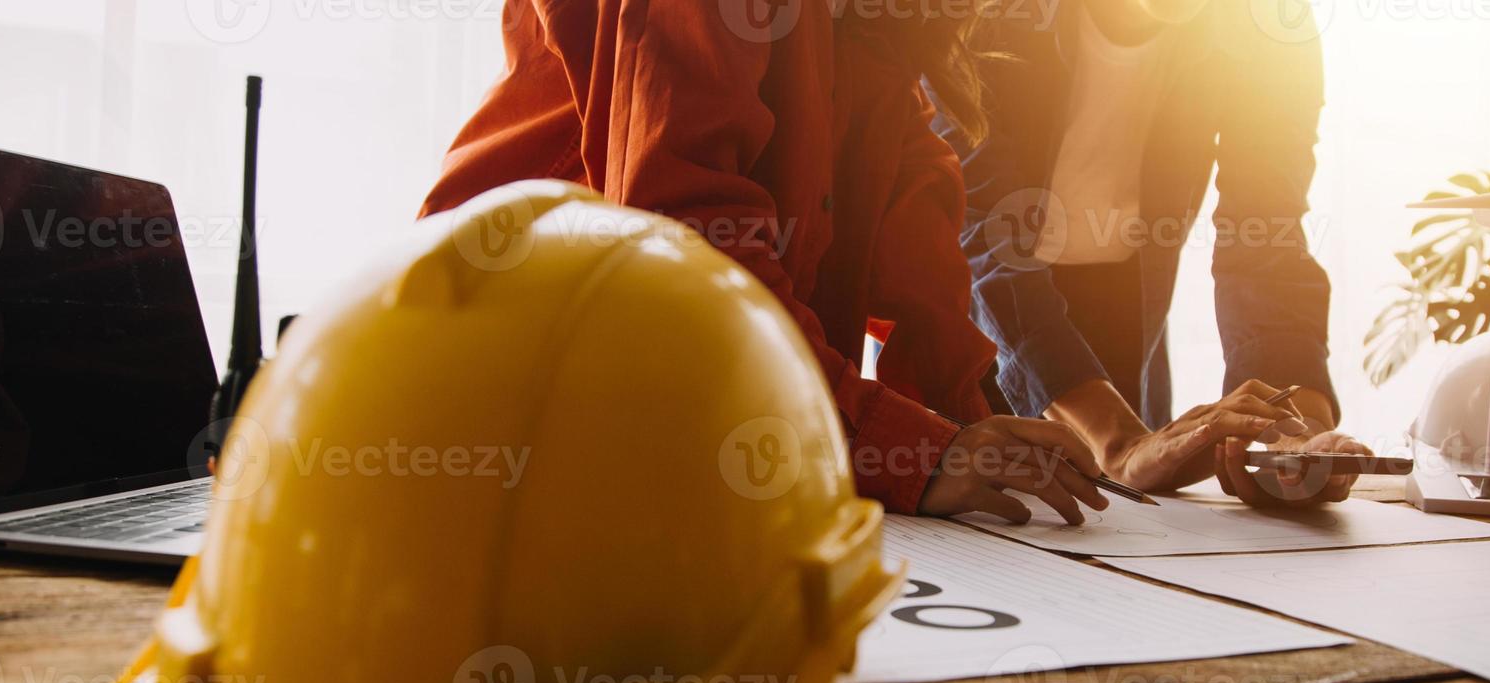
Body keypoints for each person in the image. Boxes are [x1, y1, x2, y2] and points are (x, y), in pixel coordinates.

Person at [421, 1, 1306, 524]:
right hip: (512, 423)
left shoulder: (889, 36)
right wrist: (912, 449)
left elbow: (925, 280)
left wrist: (968, 439)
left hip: (700, 445)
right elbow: (681, 245)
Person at [938, 0, 1373, 506]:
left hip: (1127, 319)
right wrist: (1118, 442)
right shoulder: (993, 16)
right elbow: (988, 241)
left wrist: (1290, 433)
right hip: (976, 329)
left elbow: (1265, 236)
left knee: (1130, 535)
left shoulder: (1268, 24)